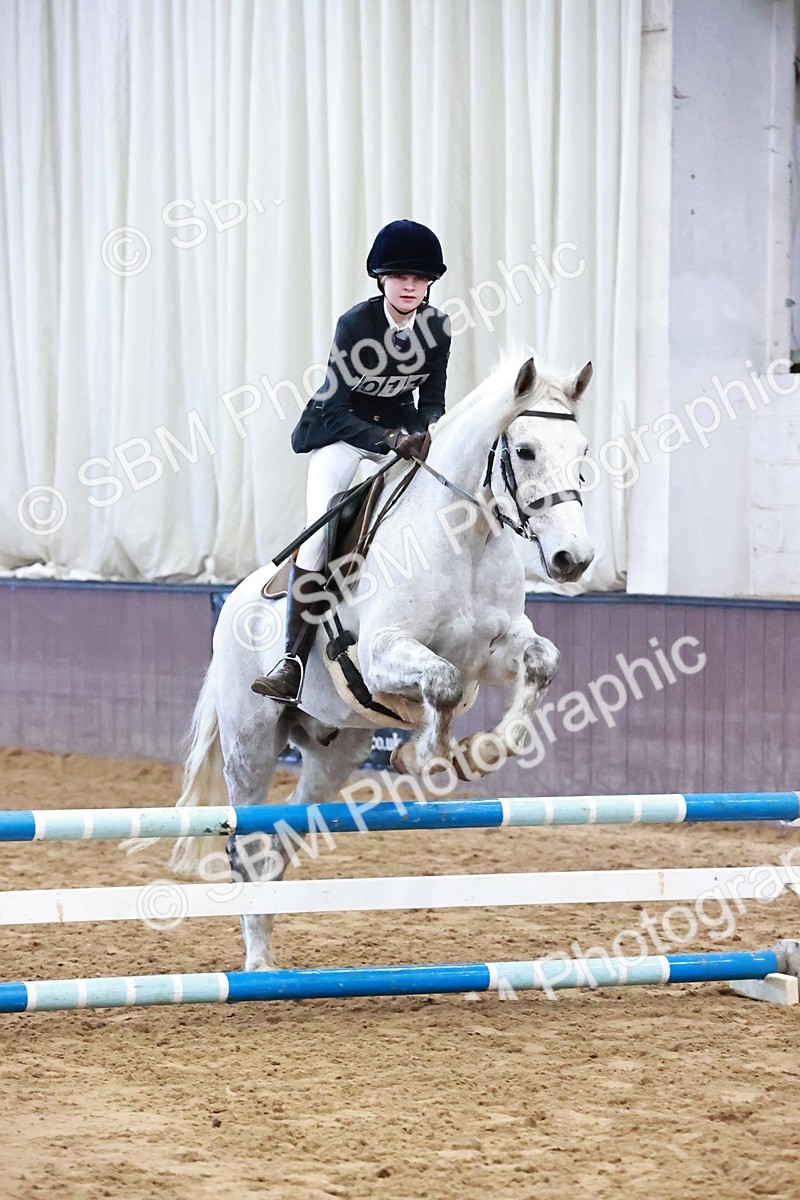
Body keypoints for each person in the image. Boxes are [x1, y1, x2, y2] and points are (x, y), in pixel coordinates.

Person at [252, 219, 451, 704]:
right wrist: (386, 437)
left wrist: (423, 431)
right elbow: (335, 408)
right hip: (341, 437)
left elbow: (434, 399)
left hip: (400, 438)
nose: (410, 286)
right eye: (400, 277)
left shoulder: (437, 327)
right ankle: (292, 662)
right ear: (381, 279)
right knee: (319, 539)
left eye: (419, 279)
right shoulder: (355, 325)